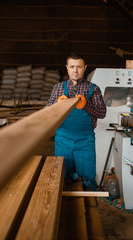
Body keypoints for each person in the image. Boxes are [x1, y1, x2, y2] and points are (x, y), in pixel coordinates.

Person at [46, 53, 106, 190]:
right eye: (72, 66)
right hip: (63, 141)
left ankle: (90, 209)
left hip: (85, 142)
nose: (75, 70)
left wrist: (86, 105)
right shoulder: (58, 88)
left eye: (79, 67)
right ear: (67, 67)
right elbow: (46, 113)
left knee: (88, 180)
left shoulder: (93, 89)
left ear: (85, 68)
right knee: (61, 178)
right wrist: (56, 105)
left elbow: (102, 113)